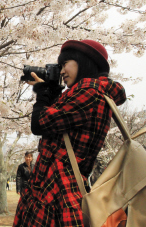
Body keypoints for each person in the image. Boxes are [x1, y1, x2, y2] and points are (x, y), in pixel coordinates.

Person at [13, 40, 126, 227]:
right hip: (57, 187)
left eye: (66, 64)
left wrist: (42, 94)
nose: (62, 71)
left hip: (57, 190)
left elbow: (40, 123)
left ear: (85, 62)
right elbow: (63, 124)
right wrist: (53, 91)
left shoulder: (90, 93)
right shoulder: (91, 94)